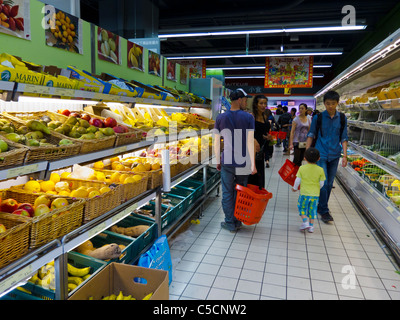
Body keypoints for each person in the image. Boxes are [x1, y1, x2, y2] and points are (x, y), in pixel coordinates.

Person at [214, 88, 257, 232]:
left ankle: (229, 222)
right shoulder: (248, 117)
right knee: (240, 192)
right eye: (245, 100)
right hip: (243, 161)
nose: (246, 102)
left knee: (227, 192)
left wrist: (217, 160)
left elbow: (216, 141)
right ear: (239, 100)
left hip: (227, 160)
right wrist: (253, 164)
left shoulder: (221, 118)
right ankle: (237, 220)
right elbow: (250, 142)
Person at [305, 90, 348, 223]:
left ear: (337, 103)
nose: (330, 106)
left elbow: (344, 138)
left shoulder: (342, 118)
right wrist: (307, 154)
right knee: (323, 184)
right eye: (328, 103)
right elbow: (311, 135)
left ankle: (321, 206)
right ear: (324, 103)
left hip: (335, 155)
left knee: (329, 184)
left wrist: (345, 156)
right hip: (320, 154)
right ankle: (324, 210)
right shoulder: (317, 118)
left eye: (333, 103)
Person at [292, 147, 326, 233]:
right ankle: (311, 227)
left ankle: (305, 222)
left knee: (302, 207)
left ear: (305, 158)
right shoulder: (320, 170)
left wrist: (295, 188)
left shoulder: (302, 168)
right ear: (319, 158)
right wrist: (317, 188)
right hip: (315, 194)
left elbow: (298, 180)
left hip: (304, 193)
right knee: (312, 209)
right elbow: (322, 183)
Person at [248, 95, 272, 188]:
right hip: (251, 152)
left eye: (265, 103)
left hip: (261, 152)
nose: (263, 105)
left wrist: (268, 137)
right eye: (261, 103)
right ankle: (249, 200)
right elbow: (246, 133)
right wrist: (253, 139)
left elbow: (262, 132)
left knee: (259, 177)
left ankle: (257, 199)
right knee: (252, 177)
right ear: (256, 104)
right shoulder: (251, 117)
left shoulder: (265, 116)